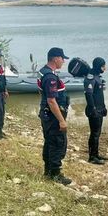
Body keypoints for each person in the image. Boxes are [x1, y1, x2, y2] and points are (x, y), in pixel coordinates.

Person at [38, 47, 72, 185]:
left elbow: (43, 94)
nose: (63, 61)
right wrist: (61, 121)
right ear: (55, 58)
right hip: (53, 116)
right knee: (58, 143)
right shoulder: (50, 77)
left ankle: (48, 171)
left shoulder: (43, 72)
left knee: (49, 142)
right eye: (62, 58)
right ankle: (55, 174)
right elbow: (51, 100)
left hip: (46, 114)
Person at [84, 57, 108, 165]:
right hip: (94, 110)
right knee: (94, 133)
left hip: (99, 109)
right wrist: (93, 108)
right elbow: (88, 95)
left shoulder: (98, 77)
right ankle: (92, 157)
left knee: (97, 133)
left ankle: (96, 154)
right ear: (99, 66)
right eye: (103, 66)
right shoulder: (91, 77)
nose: (104, 68)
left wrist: (103, 107)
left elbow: (99, 95)